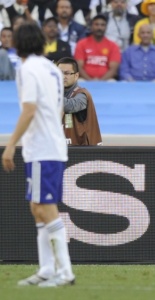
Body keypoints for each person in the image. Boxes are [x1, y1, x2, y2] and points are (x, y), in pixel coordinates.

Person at [1, 21, 75, 287]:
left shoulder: (28, 69)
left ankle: (65, 271)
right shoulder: (51, 69)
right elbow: (57, 108)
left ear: (19, 42)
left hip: (42, 147)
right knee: (37, 207)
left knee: (46, 207)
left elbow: (29, 109)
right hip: (48, 144)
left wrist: (10, 145)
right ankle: (45, 268)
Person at [56, 57, 103, 145]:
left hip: (84, 151)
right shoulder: (58, 94)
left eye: (67, 73)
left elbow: (69, 106)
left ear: (76, 75)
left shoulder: (82, 95)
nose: (62, 76)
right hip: (65, 149)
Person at [74, 14, 121, 81]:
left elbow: (113, 69)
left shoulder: (113, 45)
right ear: (91, 26)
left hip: (106, 80)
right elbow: (79, 67)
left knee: (112, 82)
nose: (99, 27)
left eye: (102, 25)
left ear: (106, 27)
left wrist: (100, 82)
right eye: (96, 24)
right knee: (79, 81)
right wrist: (90, 81)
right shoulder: (81, 44)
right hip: (85, 79)